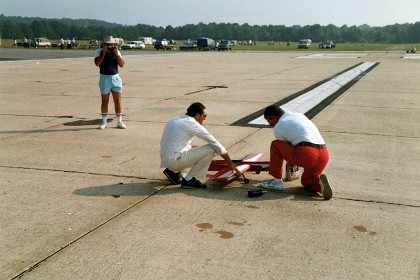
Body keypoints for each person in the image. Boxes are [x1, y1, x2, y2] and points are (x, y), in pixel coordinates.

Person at [160, 102, 241, 189]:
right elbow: (215, 144)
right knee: (211, 149)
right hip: (174, 161)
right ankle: (189, 180)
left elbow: (174, 143)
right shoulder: (192, 124)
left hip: (166, 159)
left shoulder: (176, 119)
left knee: (195, 148)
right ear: (198, 115)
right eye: (205, 116)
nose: (205, 119)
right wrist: (230, 163)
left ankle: (173, 172)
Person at [261, 105, 332, 200]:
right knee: (306, 181)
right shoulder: (299, 115)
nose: (270, 125)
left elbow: (286, 148)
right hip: (323, 154)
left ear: (273, 118)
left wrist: (292, 162)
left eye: (269, 121)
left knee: (275, 145)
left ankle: (276, 182)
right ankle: (321, 186)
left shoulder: (278, 126)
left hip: (307, 153)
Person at [94, 36, 126, 129]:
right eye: (107, 44)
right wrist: (103, 52)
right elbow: (97, 63)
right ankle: (104, 121)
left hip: (115, 78)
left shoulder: (116, 51)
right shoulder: (99, 51)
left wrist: (116, 52)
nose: (109, 46)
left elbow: (122, 64)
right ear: (104, 44)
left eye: (111, 44)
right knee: (105, 101)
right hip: (104, 78)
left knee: (118, 101)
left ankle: (119, 121)